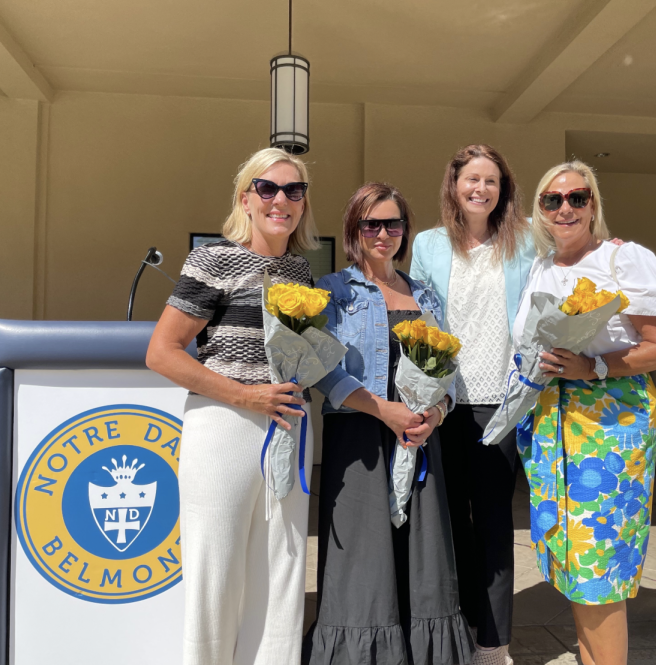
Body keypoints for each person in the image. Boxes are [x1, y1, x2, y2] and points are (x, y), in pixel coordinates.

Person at [146, 147, 318, 665]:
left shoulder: (301, 272)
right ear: (246, 198)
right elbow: (161, 352)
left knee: (282, 574)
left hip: (287, 431)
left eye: (294, 190)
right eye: (267, 188)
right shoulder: (213, 260)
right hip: (224, 429)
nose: (281, 200)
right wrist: (247, 395)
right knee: (214, 573)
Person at [515, 160, 656, 665]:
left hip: (608, 426)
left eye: (577, 197)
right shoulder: (540, 267)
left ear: (594, 205)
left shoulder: (624, 259)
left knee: (599, 564)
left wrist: (593, 367)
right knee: (572, 562)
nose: (565, 207)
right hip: (553, 425)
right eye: (553, 199)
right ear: (540, 211)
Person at [305, 183, 474, 665]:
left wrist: (436, 414)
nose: (383, 233)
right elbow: (321, 368)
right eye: (371, 224)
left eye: (392, 223)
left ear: (405, 230)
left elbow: (448, 370)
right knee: (362, 559)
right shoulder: (333, 291)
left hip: (420, 438)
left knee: (423, 556)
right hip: (359, 439)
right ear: (354, 229)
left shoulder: (425, 293)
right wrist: (385, 410)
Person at [410, 144, 535, 665]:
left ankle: (492, 644)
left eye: (491, 180)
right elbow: (419, 315)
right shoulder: (428, 244)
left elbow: (574, 257)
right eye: (471, 179)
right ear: (454, 185)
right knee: (448, 522)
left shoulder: (526, 241)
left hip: (499, 405)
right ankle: (457, 630)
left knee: (491, 523)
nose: (480, 188)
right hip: (444, 404)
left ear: (502, 189)